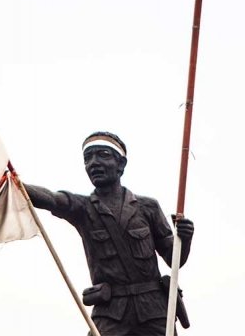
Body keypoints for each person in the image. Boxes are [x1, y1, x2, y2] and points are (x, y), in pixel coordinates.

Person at [26, 131, 194, 336]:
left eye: (103, 155)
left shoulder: (148, 207)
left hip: (152, 310)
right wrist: (14, 183)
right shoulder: (83, 208)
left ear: (121, 164)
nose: (93, 163)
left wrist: (185, 238)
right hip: (111, 312)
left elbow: (174, 259)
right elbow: (52, 199)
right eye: (87, 158)